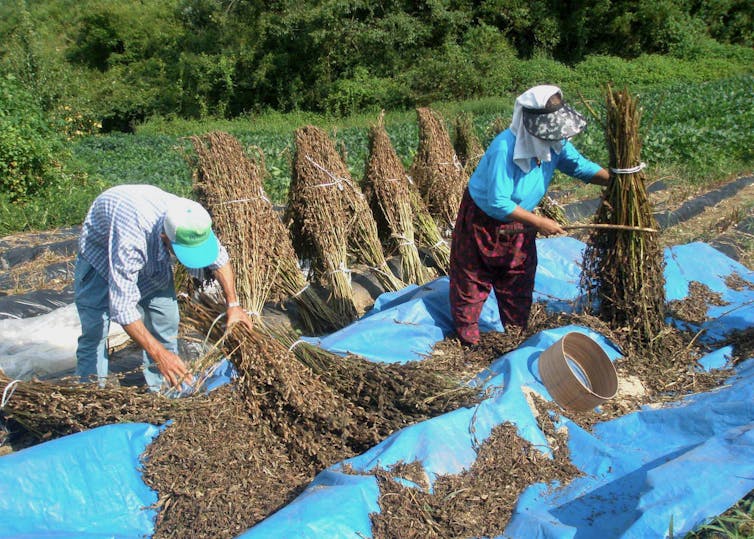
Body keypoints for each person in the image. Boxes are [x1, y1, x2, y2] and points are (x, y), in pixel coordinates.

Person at [449, 85, 611, 346]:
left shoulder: (555, 142)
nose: (554, 134)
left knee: (518, 275)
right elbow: (498, 202)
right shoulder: (506, 147)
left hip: (520, 222)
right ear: (530, 123)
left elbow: (580, 167)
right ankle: (468, 341)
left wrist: (616, 180)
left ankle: (515, 336)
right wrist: (540, 222)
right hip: (482, 222)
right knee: (472, 278)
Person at [74, 184, 254, 390]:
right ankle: (89, 394)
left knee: (166, 322)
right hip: (100, 258)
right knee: (95, 332)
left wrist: (234, 304)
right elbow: (122, 309)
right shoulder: (131, 243)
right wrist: (159, 355)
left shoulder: (192, 220)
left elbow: (220, 260)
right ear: (165, 238)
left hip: (151, 254)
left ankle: (166, 392)